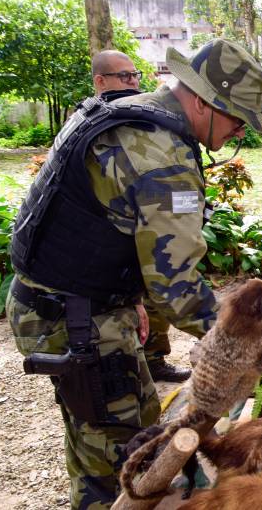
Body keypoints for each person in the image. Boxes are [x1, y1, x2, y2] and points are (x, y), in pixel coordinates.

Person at [6, 38, 262, 509]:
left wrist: (130, 297)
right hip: (76, 321)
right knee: (120, 458)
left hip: (74, 304)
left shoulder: (130, 112)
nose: (240, 134)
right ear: (204, 102)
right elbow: (179, 288)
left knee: (110, 432)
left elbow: (104, 219)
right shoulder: (161, 156)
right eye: (237, 119)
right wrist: (257, 334)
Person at [91, 49, 190, 383]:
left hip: (139, 249)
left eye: (134, 76)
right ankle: (137, 364)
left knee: (153, 308)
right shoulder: (102, 124)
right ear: (100, 81)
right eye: (124, 76)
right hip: (100, 275)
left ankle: (154, 359)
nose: (132, 82)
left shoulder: (143, 122)